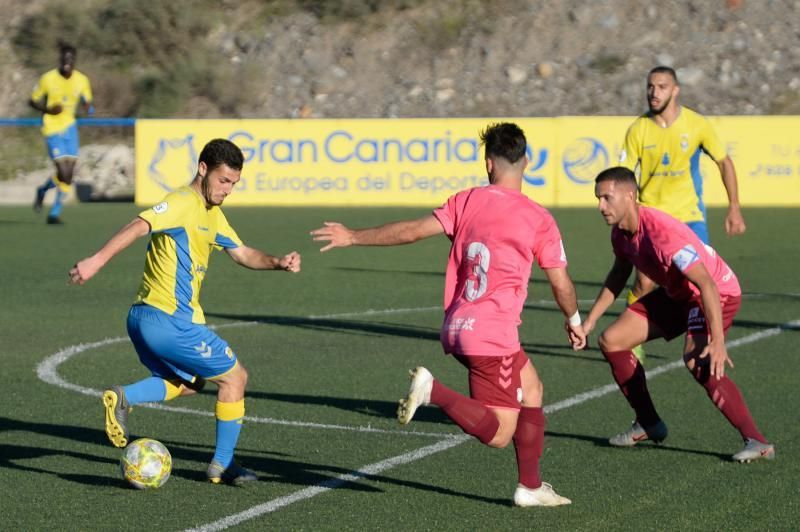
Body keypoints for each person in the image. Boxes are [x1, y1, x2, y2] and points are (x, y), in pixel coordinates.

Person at [311, 123, 585, 507]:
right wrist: (574, 321)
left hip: (457, 327)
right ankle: (432, 391)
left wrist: (353, 236)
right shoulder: (538, 217)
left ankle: (531, 486)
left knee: (533, 388)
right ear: (528, 161)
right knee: (500, 434)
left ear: (488, 163)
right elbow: (561, 283)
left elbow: (409, 231)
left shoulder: (467, 200)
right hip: (492, 335)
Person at [69, 139, 301, 484]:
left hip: (146, 319)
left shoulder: (213, 214)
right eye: (224, 181)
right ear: (203, 169)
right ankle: (223, 465)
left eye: (234, 184)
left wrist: (277, 262)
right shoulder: (181, 202)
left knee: (188, 382)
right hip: (168, 321)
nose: (228, 190)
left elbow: (241, 253)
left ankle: (125, 396)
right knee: (235, 378)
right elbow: (138, 225)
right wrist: (96, 260)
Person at [582, 166, 773, 463]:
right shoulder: (620, 233)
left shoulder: (661, 232)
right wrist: (590, 321)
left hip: (715, 292)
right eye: (598, 199)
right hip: (679, 293)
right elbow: (619, 273)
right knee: (612, 340)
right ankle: (648, 422)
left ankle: (757, 441)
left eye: (606, 198)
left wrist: (719, 341)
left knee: (698, 360)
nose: (600, 206)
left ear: (629, 196)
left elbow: (706, 283)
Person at [618, 65, 746, 363]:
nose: (654, 92)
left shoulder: (696, 124)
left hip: (689, 219)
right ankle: (634, 339)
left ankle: (703, 340)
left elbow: (724, 162)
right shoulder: (638, 129)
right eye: (650, 86)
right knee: (644, 284)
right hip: (651, 219)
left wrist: (734, 207)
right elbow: (624, 174)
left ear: (675, 90)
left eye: (661, 86)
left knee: (698, 282)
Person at [30, 43, 94, 225]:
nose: (67, 62)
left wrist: (88, 107)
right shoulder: (47, 79)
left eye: (70, 59)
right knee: (63, 173)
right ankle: (43, 191)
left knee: (69, 175)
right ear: (60, 60)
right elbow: (32, 101)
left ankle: (54, 213)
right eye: (64, 59)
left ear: (74, 61)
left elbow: (87, 99)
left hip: (70, 128)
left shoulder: (82, 80)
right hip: (52, 128)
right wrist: (48, 110)